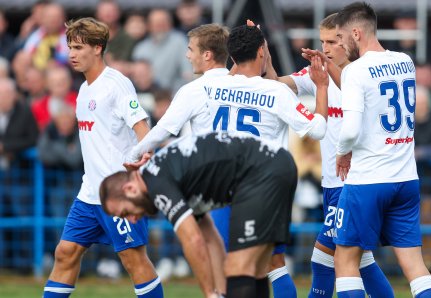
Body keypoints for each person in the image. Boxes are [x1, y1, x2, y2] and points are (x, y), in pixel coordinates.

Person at [269, 13, 393, 298]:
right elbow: (275, 83)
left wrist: (324, 77)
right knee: (360, 260)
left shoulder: (362, 75)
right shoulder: (316, 76)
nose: (325, 48)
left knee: (326, 258)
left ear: (349, 38)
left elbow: (348, 90)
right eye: (321, 41)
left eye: (332, 41)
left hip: (351, 182)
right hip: (331, 182)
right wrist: (263, 52)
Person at [204, 24, 329, 298]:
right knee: (273, 265)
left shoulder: (212, 87)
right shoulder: (276, 93)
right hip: (264, 188)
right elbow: (317, 129)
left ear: (232, 56)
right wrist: (321, 87)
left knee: (230, 263)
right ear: (262, 51)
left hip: (223, 186)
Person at [42, 18, 163, 298]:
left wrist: (139, 176)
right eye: (70, 47)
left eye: (78, 47)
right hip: (89, 192)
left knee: (133, 259)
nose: (71, 53)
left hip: (118, 193)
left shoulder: (116, 84)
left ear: (98, 48)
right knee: (66, 252)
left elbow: (144, 131)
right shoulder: (84, 90)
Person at [100, 132, 298, 298]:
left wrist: (209, 294)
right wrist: (219, 293)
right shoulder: (167, 178)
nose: (133, 219)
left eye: (126, 212)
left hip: (261, 173)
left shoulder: (157, 184)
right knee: (256, 270)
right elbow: (209, 238)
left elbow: (193, 241)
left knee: (239, 267)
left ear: (130, 189)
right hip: (277, 163)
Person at [332, 3, 431, 297]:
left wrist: (342, 151)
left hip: (368, 178)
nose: (341, 45)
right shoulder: (405, 61)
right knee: (415, 265)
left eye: (341, 38)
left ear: (356, 32)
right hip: (405, 177)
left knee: (345, 259)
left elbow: (351, 128)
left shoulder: (355, 71)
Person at [125, 23, 230, 294]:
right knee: (265, 261)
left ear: (207, 54)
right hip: (254, 172)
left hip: (215, 177)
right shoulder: (244, 82)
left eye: (190, 49)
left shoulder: (194, 89)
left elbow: (163, 130)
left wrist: (134, 152)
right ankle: (220, 293)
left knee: (203, 237)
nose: (187, 55)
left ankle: (212, 292)